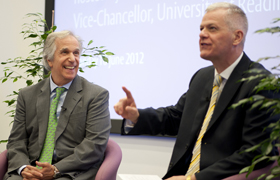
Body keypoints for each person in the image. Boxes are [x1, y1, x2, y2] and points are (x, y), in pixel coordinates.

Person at [114, 2, 279, 180]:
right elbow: (176, 117)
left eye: (212, 28)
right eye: (201, 28)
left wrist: (193, 179)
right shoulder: (202, 77)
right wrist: (136, 116)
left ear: (237, 37)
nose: (202, 34)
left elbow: (254, 154)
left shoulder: (261, 84)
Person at [4, 30, 111, 180]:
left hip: (70, 172)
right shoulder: (27, 95)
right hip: (32, 170)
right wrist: (24, 169)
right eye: (65, 52)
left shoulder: (96, 96)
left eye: (76, 53)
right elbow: (17, 140)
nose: (72, 59)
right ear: (49, 60)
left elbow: (94, 145)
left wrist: (55, 169)